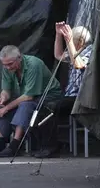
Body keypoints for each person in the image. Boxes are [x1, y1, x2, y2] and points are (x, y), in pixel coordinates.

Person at [0, 45, 62, 158]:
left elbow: (29, 96)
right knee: (0, 107)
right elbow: (6, 90)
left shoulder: (34, 64)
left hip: (48, 97)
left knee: (24, 105)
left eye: (10, 64)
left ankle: (15, 145)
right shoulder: (7, 67)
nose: (7, 67)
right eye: (4, 64)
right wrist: (3, 98)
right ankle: (0, 143)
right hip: (28, 97)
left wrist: (7, 108)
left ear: (19, 58)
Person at [34, 22, 92, 158]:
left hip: (81, 97)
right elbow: (58, 55)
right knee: (40, 104)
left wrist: (70, 40)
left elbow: (78, 64)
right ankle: (44, 145)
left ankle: (52, 148)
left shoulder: (90, 50)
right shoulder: (74, 49)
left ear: (80, 41)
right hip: (69, 94)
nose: (68, 44)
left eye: (70, 41)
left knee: (51, 107)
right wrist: (58, 35)